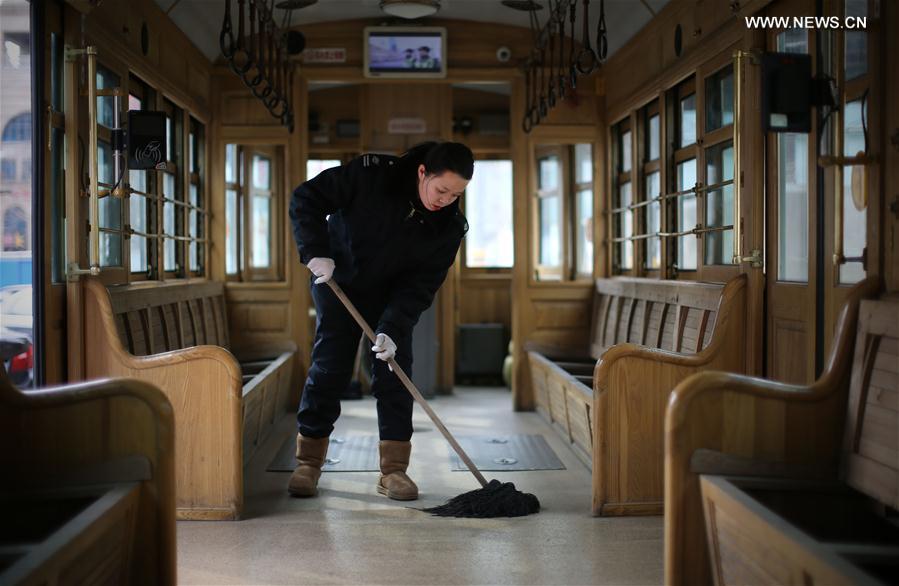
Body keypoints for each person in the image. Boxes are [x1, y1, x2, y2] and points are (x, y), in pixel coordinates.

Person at [288, 142, 473, 501]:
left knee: (394, 371)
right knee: (330, 366)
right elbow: (306, 197)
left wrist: (392, 327)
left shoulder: (449, 227)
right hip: (338, 279)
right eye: (442, 189)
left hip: (392, 296)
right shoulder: (372, 175)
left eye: (456, 194)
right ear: (423, 173)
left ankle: (393, 471)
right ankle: (308, 462)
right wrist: (315, 251)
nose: (446, 200)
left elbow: (420, 286)